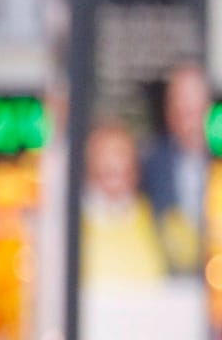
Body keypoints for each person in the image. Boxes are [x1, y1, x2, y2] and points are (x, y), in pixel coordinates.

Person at [142, 62, 212, 274]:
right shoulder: (150, 163)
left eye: (193, 106)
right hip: (168, 290)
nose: (186, 115)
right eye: (178, 104)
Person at [82, 120, 167, 284]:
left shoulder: (152, 215)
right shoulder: (72, 221)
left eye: (122, 153)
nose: (115, 160)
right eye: (107, 153)